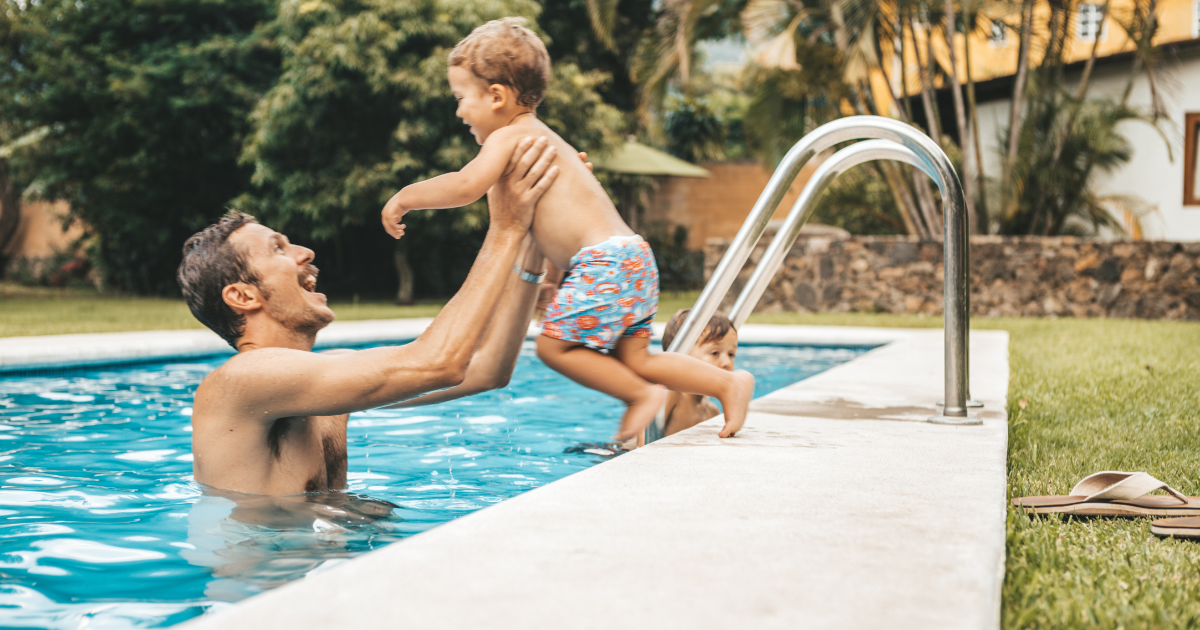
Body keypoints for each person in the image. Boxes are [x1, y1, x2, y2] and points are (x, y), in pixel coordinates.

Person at [379, 18, 754, 441]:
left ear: (497, 96)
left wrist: (406, 196)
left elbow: (465, 185)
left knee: (552, 348)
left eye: (461, 97)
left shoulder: (511, 137)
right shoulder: (550, 142)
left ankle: (640, 396)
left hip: (604, 264)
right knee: (640, 357)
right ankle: (727, 384)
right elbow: (559, 231)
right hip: (633, 257)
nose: (459, 110)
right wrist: (554, 282)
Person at [177, 137, 563, 496]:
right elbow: (437, 364)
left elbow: (487, 370)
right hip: (276, 570)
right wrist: (506, 227)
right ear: (242, 296)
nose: (306, 252)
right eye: (278, 248)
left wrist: (528, 247)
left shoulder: (324, 376)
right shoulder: (237, 383)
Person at [659, 309, 741, 437]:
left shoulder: (712, 411)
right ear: (682, 356)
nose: (727, 363)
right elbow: (640, 443)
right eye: (714, 353)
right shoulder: (670, 394)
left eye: (731, 354)